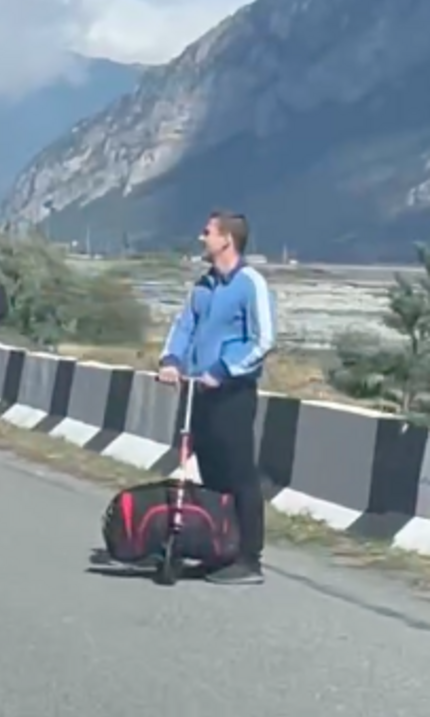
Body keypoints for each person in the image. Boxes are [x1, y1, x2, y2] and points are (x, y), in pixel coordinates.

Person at [159, 211, 275, 586]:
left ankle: (248, 558)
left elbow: (264, 339)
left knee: (238, 474)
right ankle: (218, 548)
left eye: (207, 232)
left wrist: (223, 369)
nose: (201, 237)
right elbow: (184, 326)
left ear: (227, 239)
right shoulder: (203, 285)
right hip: (198, 391)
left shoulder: (249, 283)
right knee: (210, 474)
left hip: (233, 393)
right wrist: (171, 360)